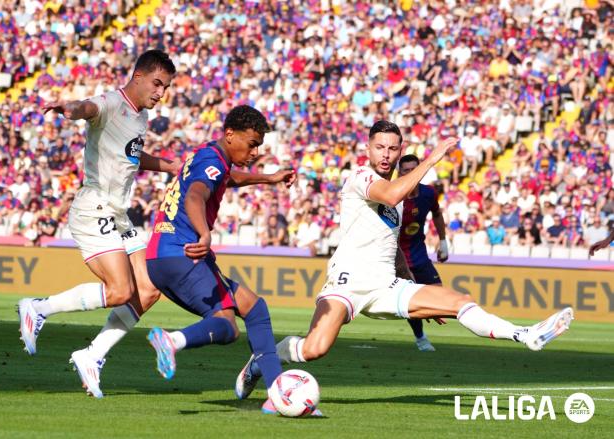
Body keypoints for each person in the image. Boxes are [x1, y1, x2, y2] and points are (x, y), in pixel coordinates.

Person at [237, 121, 573, 395]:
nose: (385, 154)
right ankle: (258, 361)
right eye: (379, 147)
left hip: (386, 284)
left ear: (400, 150)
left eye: (392, 148)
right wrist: (432, 159)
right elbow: (393, 191)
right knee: (314, 349)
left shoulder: (396, 198)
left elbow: (392, 245)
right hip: (348, 281)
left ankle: (525, 335)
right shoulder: (361, 178)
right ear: (368, 149)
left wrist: (416, 290)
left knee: (458, 301)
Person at [16, 50, 178, 397]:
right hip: (94, 209)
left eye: (165, 87)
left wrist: (169, 166)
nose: (161, 93)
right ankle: (38, 308)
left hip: (119, 214)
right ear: (138, 77)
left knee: (150, 289)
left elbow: (131, 155)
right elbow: (87, 108)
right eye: (157, 83)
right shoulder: (109, 103)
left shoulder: (140, 117)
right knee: (120, 291)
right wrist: (72, 109)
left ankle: (92, 355)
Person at [144, 105, 305, 415]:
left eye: (259, 145)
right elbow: (195, 196)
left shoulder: (208, 155)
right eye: (252, 142)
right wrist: (204, 235)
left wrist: (268, 178)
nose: (256, 150)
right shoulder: (210, 162)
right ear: (230, 135)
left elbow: (227, 179)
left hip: (163, 255)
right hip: (183, 252)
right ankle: (172, 341)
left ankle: (276, 395)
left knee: (254, 307)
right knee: (227, 326)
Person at [397, 154, 449, 352]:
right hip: (396, 257)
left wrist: (443, 241)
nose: (410, 174)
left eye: (414, 169)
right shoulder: (393, 197)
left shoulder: (428, 193)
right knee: (411, 303)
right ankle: (421, 338)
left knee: (439, 295)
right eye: (406, 170)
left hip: (419, 254)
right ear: (399, 173)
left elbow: (436, 213)